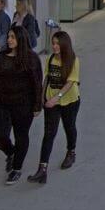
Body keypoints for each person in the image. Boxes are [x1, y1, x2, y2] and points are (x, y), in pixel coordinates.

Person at [0, 25, 43, 184]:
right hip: (3, 102)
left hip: (24, 104)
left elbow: (37, 83)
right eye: (8, 37)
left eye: (12, 37)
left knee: (21, 136)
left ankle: (17, 168)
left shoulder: (31, 58)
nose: (9, 40)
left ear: (21, 39)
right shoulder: (1, 57)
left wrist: (37, 105)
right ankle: (11, 152)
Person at [28, 31, 80, 184]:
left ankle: (71, 151)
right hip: (51, 101)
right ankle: (42, 169)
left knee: (69, 127)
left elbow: (70, 82)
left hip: (69, 101)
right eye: (53, 43)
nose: (55, 46)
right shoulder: (50, 59)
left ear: (65, 44)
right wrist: (42, 97)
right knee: (49, 134)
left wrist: (57, 98)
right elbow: (47, 78)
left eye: (58, 44)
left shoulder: (73, 60)